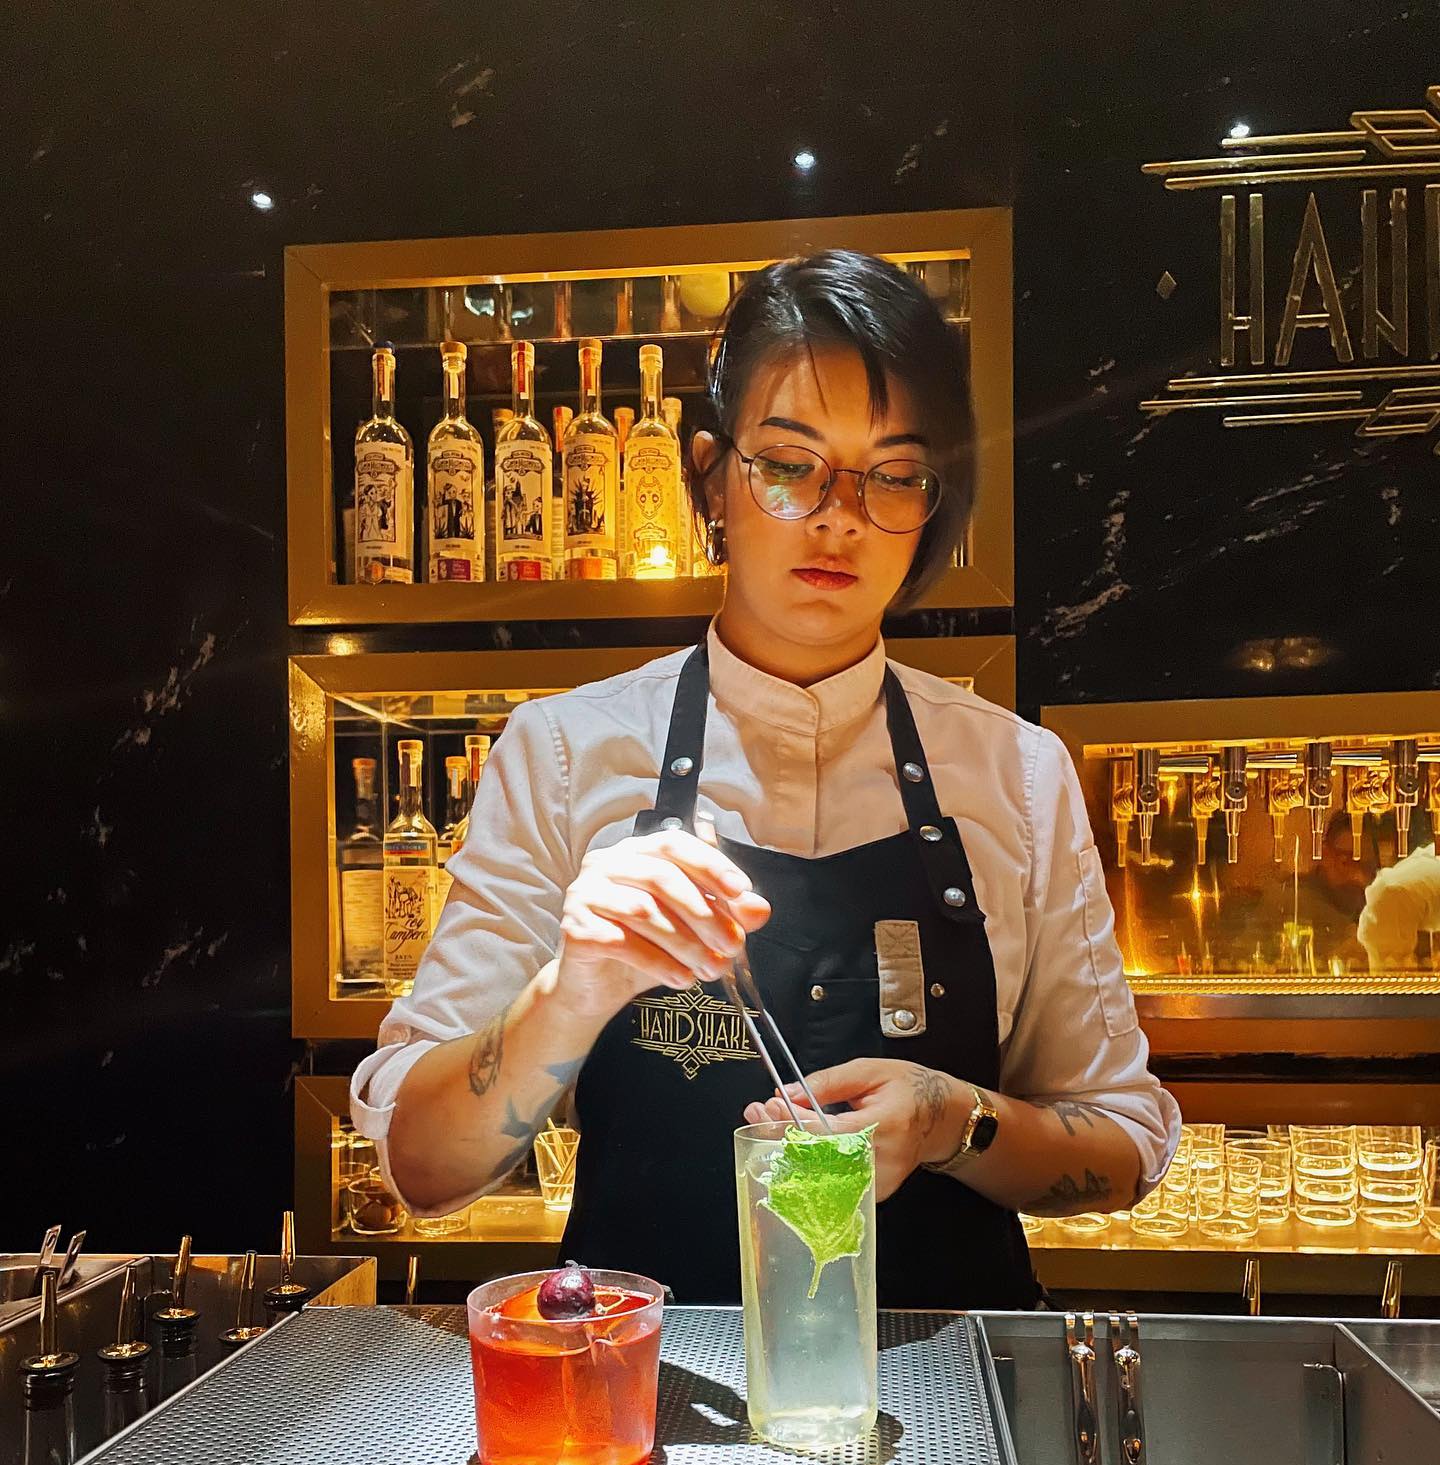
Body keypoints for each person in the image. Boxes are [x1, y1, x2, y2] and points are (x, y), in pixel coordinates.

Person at [350, 250, 1180, 1307]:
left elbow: (1121, 1144)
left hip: (949, 1393)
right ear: (711, 476)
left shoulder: (1017, 773)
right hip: (643, 1395)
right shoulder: (562, 753)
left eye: (893, 474)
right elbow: (423, 1172)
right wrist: (572, 989)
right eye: (790, 465)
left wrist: (950, 1120)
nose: (839, 517)